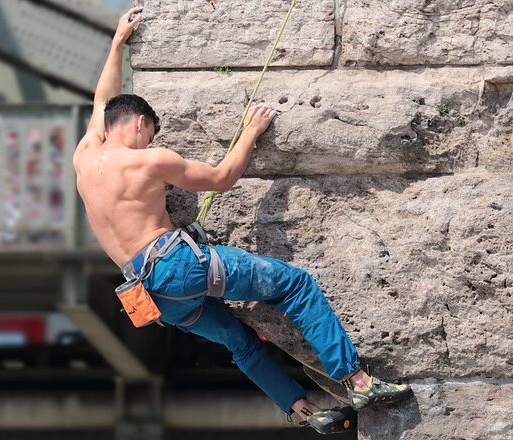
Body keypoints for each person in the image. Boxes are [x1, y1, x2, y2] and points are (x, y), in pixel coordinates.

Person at [73, 7, 412, 434]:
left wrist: (117, 43)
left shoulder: (85, 156)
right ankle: (358, 382)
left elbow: (103, 100)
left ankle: (303, 410)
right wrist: (251, 130)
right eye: (151, 133)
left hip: (148, 295)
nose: (151, 141)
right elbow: (222, 178)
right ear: (142, 124)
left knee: (239, 341)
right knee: (295, 285)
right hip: (176, 268)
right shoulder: (149, 161)